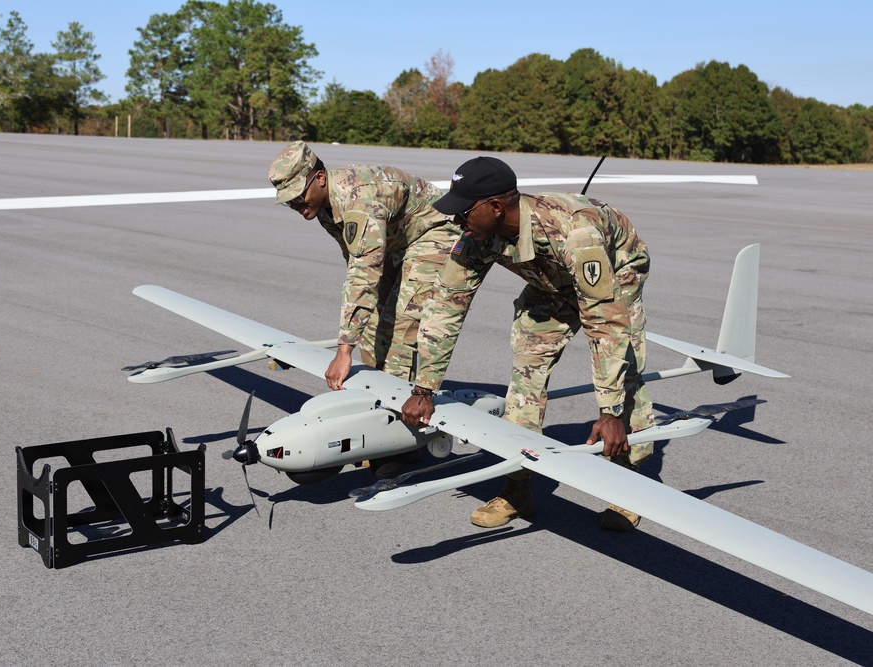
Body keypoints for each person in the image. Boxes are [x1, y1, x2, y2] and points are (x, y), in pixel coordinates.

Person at [401, 156, 654, 531]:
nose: (457, 220)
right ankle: (517, 486)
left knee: (624, 365)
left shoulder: (576, 234)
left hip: (615, 272)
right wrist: (424, 387)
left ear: (496, 207)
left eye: (464, 212)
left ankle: (629, 481)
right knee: (527, 368)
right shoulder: (477, 235)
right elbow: (445, 304)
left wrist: (610, 411)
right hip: (551, 280)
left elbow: (605, 324)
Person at [269, 141, 463, 389]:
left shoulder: (360, 201)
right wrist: (353, 331)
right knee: (371, 324)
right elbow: (355, 263)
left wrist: (344, 351)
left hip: (434, 235)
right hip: (396, 240)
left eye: (298, 196)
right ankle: (373, 392)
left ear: (319, 178)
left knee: (398, 325)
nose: (296, 206)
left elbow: (364, 274)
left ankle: (395, 403)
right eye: (289, 202)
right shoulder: (322, 206)